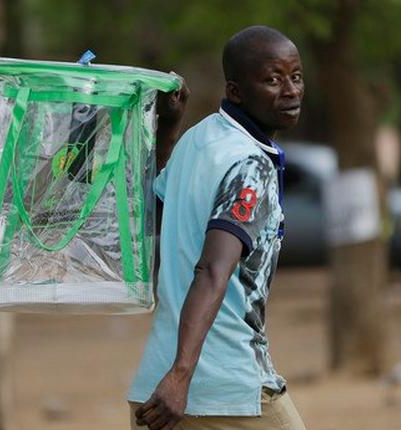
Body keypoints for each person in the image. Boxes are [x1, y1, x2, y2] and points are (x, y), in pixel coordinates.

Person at [128, 25, 308, 430]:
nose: (291, 90)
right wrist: (180, 376)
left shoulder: (199, 138)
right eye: (272, 79)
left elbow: (162, 212)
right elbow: (212, 269)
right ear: (236, 91)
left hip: (154, 385)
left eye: (295, 77)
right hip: (222, 388)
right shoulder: (249, 164)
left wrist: (167, 131)